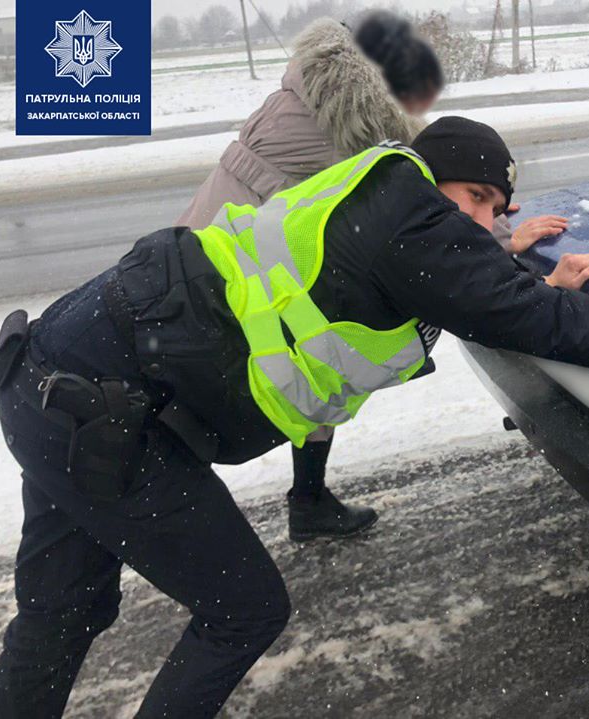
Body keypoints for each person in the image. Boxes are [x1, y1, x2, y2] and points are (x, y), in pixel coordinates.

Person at [0, 116, 589, 718]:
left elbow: (451, 288)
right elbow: (513, 313)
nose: (483, 218)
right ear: (434, 174)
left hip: (51, 374)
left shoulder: (376, 194)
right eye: (477, 196)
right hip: (105, 415)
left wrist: (517, 264)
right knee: (244, 610)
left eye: (497, 209)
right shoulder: (409, 215)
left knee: (60, 613)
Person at [179, 11, 568, 542]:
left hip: (210, 247)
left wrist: (487, 207)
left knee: (304, 366)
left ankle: (302, 502)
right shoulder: (350, 117)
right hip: (232, 275)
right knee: (243, 389)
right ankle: (227, 531)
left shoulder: (304, 91)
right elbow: (417, 202)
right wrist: (499, 236)